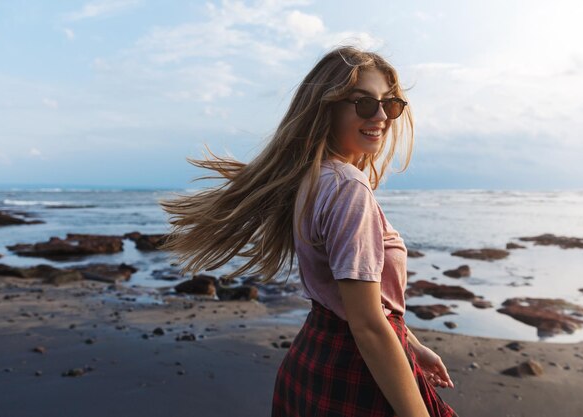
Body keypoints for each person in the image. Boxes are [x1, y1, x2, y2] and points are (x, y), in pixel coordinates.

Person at [158, 46, 459, 417]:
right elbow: (366, 324)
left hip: (314, 363)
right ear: (326, 108)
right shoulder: (348, 187)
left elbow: (352, 302)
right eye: (364, 103)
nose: (381, 116)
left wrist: (413, 345)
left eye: (390, 104)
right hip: (355, 376)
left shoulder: (312, 181)